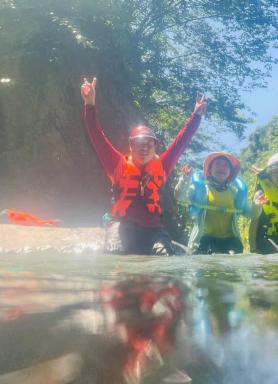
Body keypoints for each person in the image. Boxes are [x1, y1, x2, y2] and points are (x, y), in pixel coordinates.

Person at [80, 77, 207, 255]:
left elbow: (181, 142)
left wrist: (196, 117)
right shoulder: (116, 164)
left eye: (149, 144)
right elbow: (96, 136)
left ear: (155, 147)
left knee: (164, 255)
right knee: (115, 251)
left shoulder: (162, 165)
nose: (144, 148)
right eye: (139, 144)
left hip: (153, 230)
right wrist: (90, 104)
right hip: (122, 225)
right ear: (131, 146)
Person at [174, 152, 263, 255]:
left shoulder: (235, 192)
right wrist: (184, 180)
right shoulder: (201, 189)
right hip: (204, 240)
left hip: (230, 240)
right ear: (210, 169)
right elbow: (179, 196)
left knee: (233, 256)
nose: (221, 168)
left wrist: (256, 205)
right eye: (217, 164)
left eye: (225, 165)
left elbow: (252, 214)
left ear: (230, 172)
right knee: (207, 255)